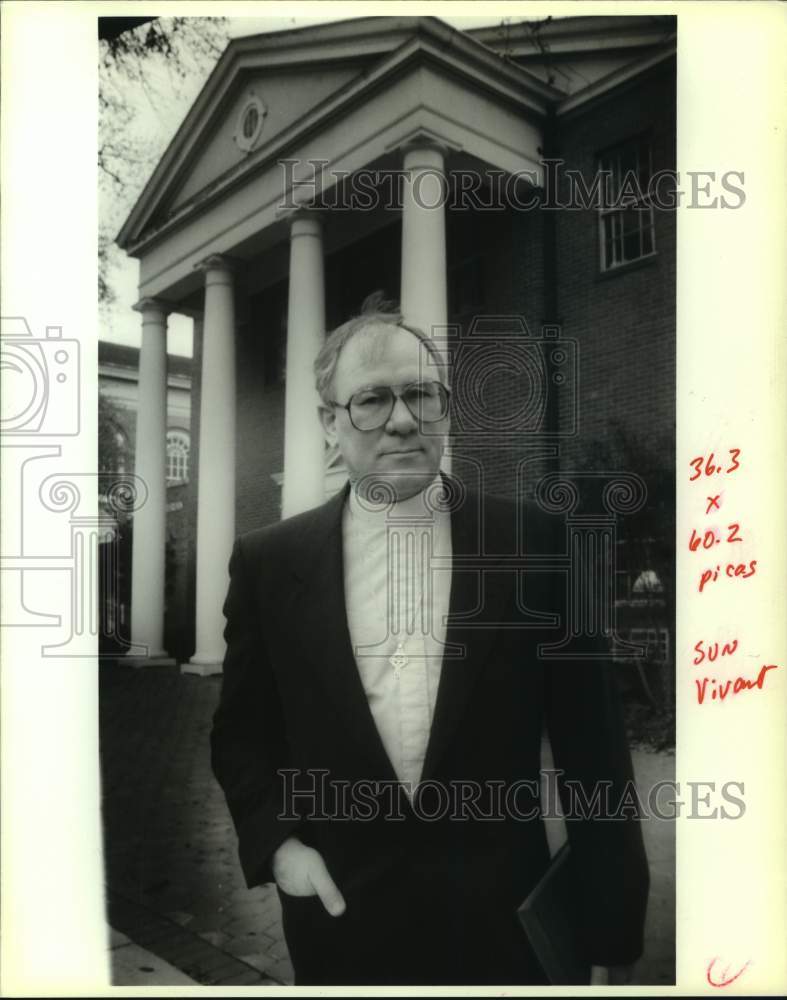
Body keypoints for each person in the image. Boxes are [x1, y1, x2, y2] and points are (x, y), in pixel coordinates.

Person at [210, 303, 650, 986]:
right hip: (341, 923)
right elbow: (242, 732)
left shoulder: (537, 544)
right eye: (372, 399)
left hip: (507, 931)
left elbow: (595, 755)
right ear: (330, 423)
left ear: (445, 409)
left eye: (420, 393)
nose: (403, 418)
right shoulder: (268, 563)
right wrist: (279, 846)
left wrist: (611, 939)